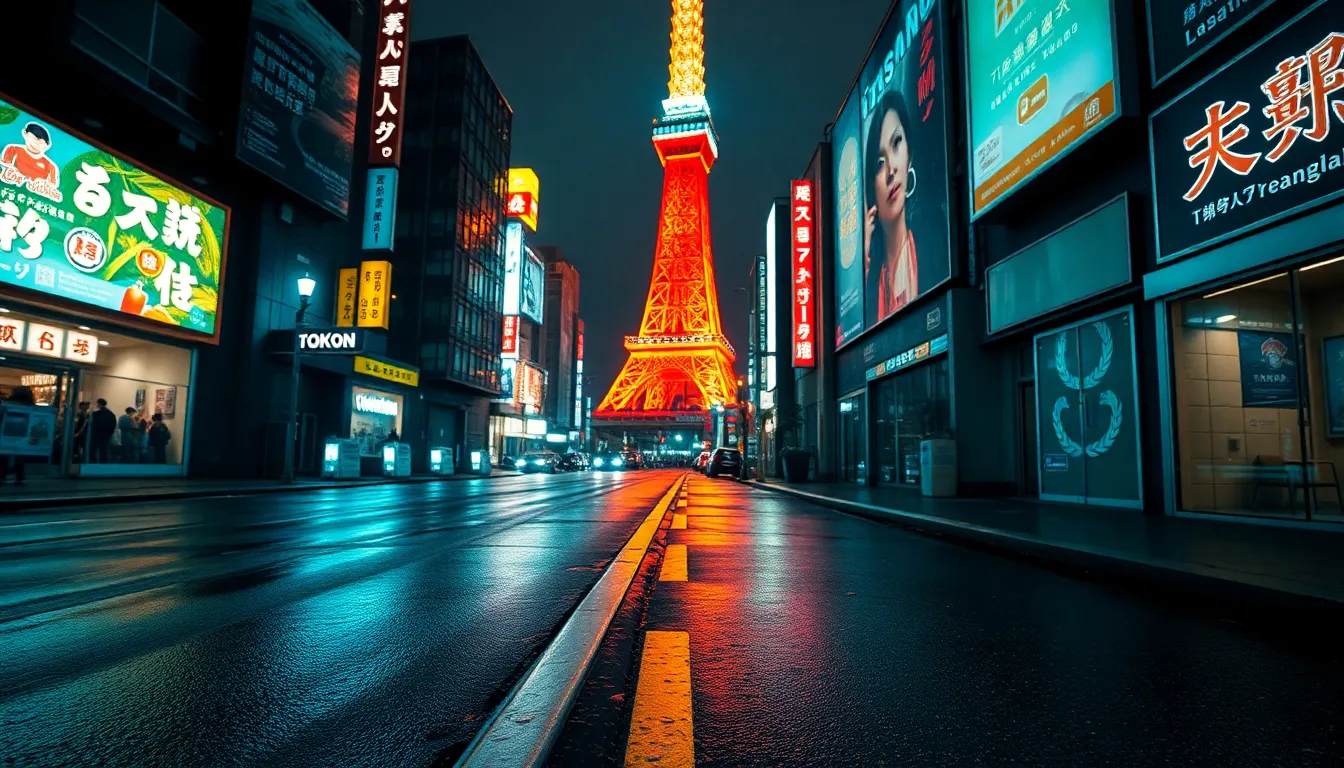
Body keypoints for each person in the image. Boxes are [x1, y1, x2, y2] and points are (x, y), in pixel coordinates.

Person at [863, 89, 920, 327]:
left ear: (909, 155)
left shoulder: (933, 252)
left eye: (897, 143)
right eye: (879, 164)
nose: (890, 172)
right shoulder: (871, 281)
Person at [1, 385, 36, 484]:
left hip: (7, 432)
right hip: (23, 433)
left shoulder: (7, 403)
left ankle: (2, 474)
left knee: (4, 454)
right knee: (19, 455)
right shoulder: (30, 405)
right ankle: (20, 476)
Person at [89, 399, 116, 463]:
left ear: (98, 404)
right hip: (106, 436)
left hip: (96, 435)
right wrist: (109, 434)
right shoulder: (110, 414)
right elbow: (113, 425)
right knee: (104, 451)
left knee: (93, 450)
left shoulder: (96, 413)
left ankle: (92, 463)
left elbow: (91, 423)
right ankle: (103, 464)